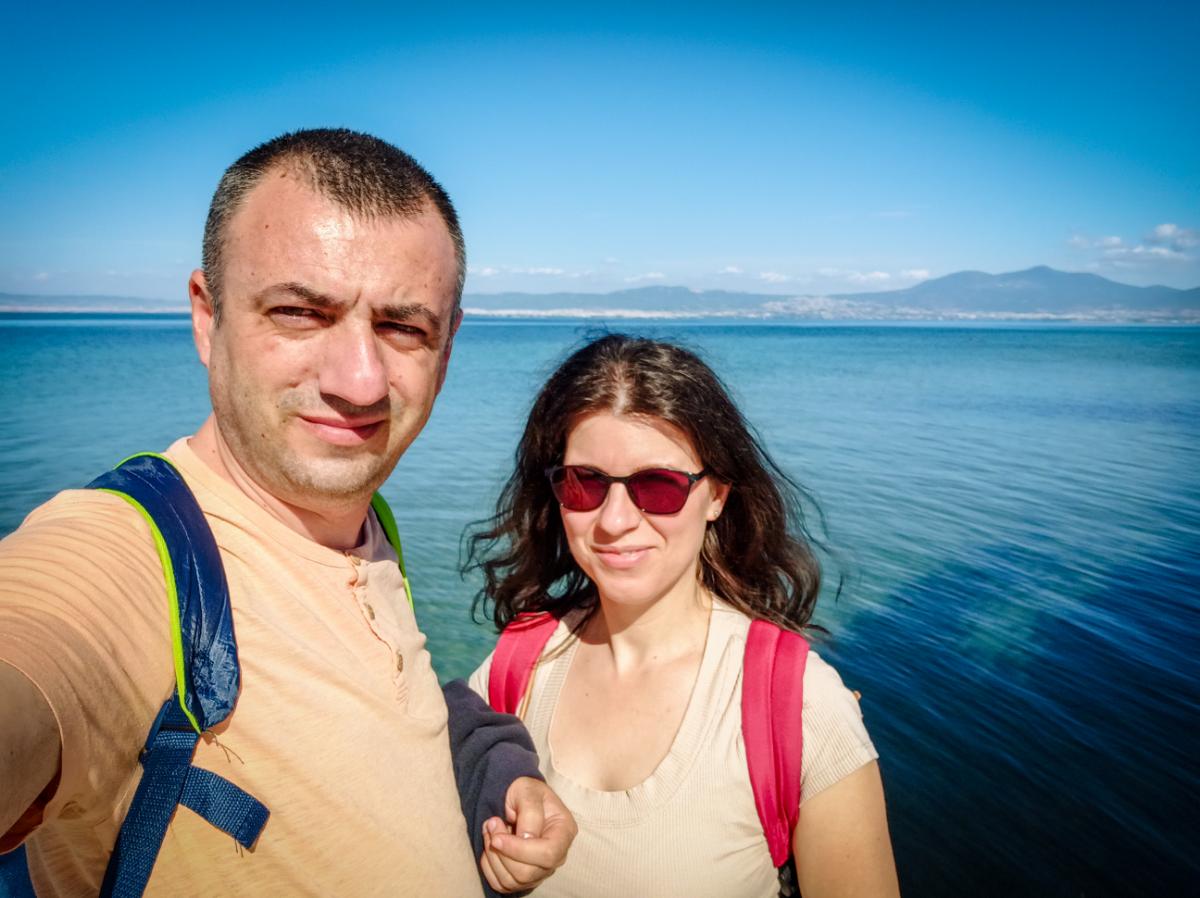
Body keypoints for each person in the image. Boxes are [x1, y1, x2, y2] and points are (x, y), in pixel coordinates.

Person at [0, 129, 574, 897]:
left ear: (448, 349)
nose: (360, 383)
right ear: (207, 317)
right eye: (301, 312)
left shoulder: (368, 531)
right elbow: (38, 657)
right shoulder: (127, 555)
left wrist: (496, 767)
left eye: (404, 328)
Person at [467, 334, 900, 897]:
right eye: (584, 483)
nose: (614, 521)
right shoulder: (516, 665)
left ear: (717, 495)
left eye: (658, 486)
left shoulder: (800, 705)